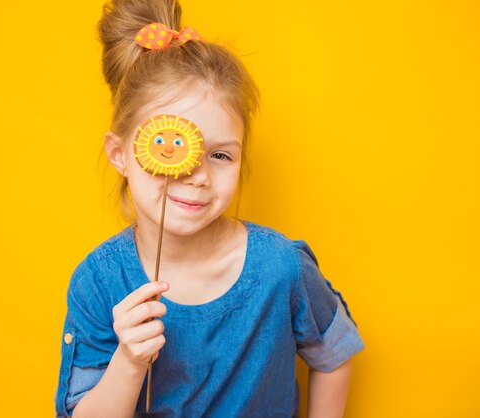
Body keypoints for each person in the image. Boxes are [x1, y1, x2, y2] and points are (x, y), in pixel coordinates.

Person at [55, 0, 365, 416]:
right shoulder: (99, 281)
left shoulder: (281, 267)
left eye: (220, 155)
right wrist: (128, 362)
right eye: (170, 148)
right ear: (120, 153)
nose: (198, 176)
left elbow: (335, 353)